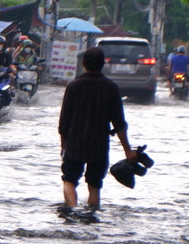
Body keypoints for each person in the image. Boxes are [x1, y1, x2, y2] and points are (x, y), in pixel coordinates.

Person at [59, 47, 138, 210]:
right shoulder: (111, 88)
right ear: (103, 64)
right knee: (94, 185)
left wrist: (64, 145)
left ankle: (72, 210)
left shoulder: (73, 86)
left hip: (75, 143)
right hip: (99, 144)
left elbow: (63, 123)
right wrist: (128, 150)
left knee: (69, 180)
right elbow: (119, 123)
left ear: (83, 63)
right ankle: (91, 216)